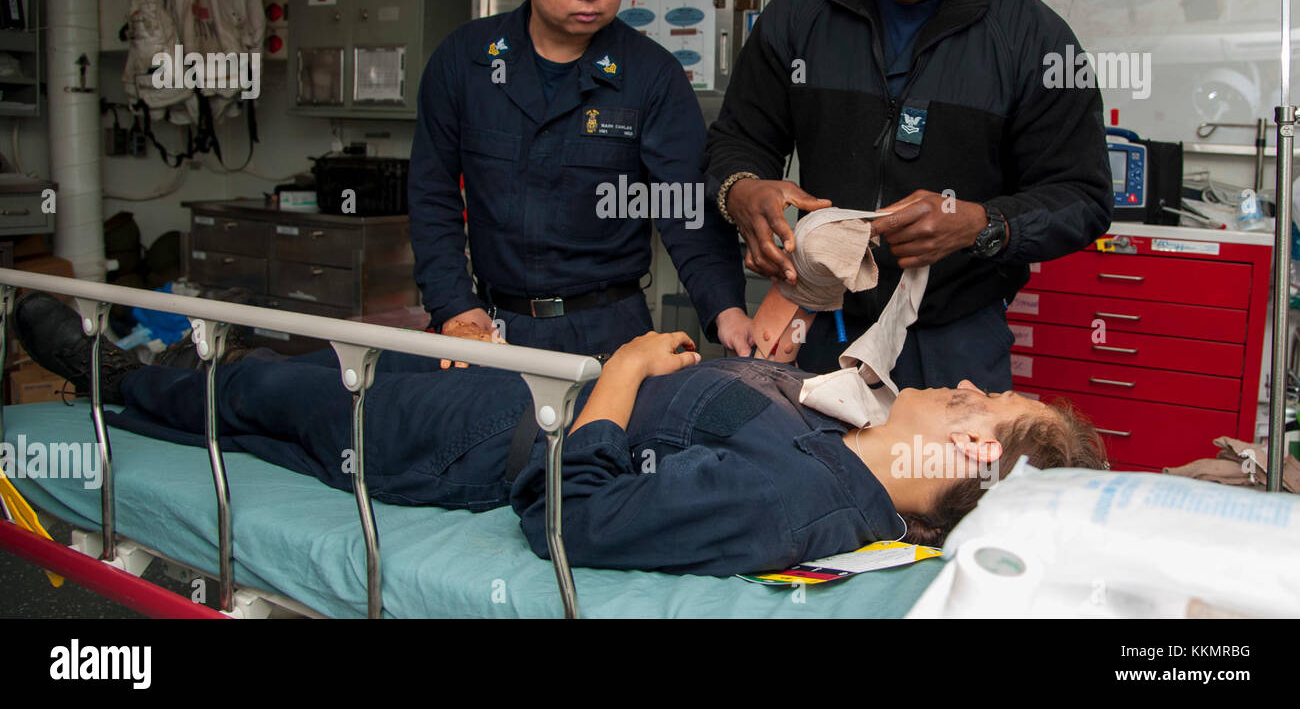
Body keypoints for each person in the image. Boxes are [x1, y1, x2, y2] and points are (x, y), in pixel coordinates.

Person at [16, 291, 1107, 576]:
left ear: (965, 464)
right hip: (500, 388)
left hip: (464, 439)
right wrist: (769, 368)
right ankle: (138, 392)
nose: (965, 384)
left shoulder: (799, 504)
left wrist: (627, 371)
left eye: (984, 409)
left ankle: (111, 378)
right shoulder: (839, 459)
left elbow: (571, 520)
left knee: (262, 395)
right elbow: (724, 427)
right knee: (285, 393)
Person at [705, 0, 1112, 386]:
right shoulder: (800, 14)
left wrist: (983, 225)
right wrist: (741, 189)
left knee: (949, 477)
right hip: (821, 323)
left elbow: (1083, 197)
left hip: (955, 340)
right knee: (815, 471)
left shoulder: (1031, 39)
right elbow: (738, 139)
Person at [409, 0, 751, 361]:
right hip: (488, 326)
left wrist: (727, 311)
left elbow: (683, 209)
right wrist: (453, 305)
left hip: (611, 332)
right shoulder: (465, 62)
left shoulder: (652, 76)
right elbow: (432, 195)